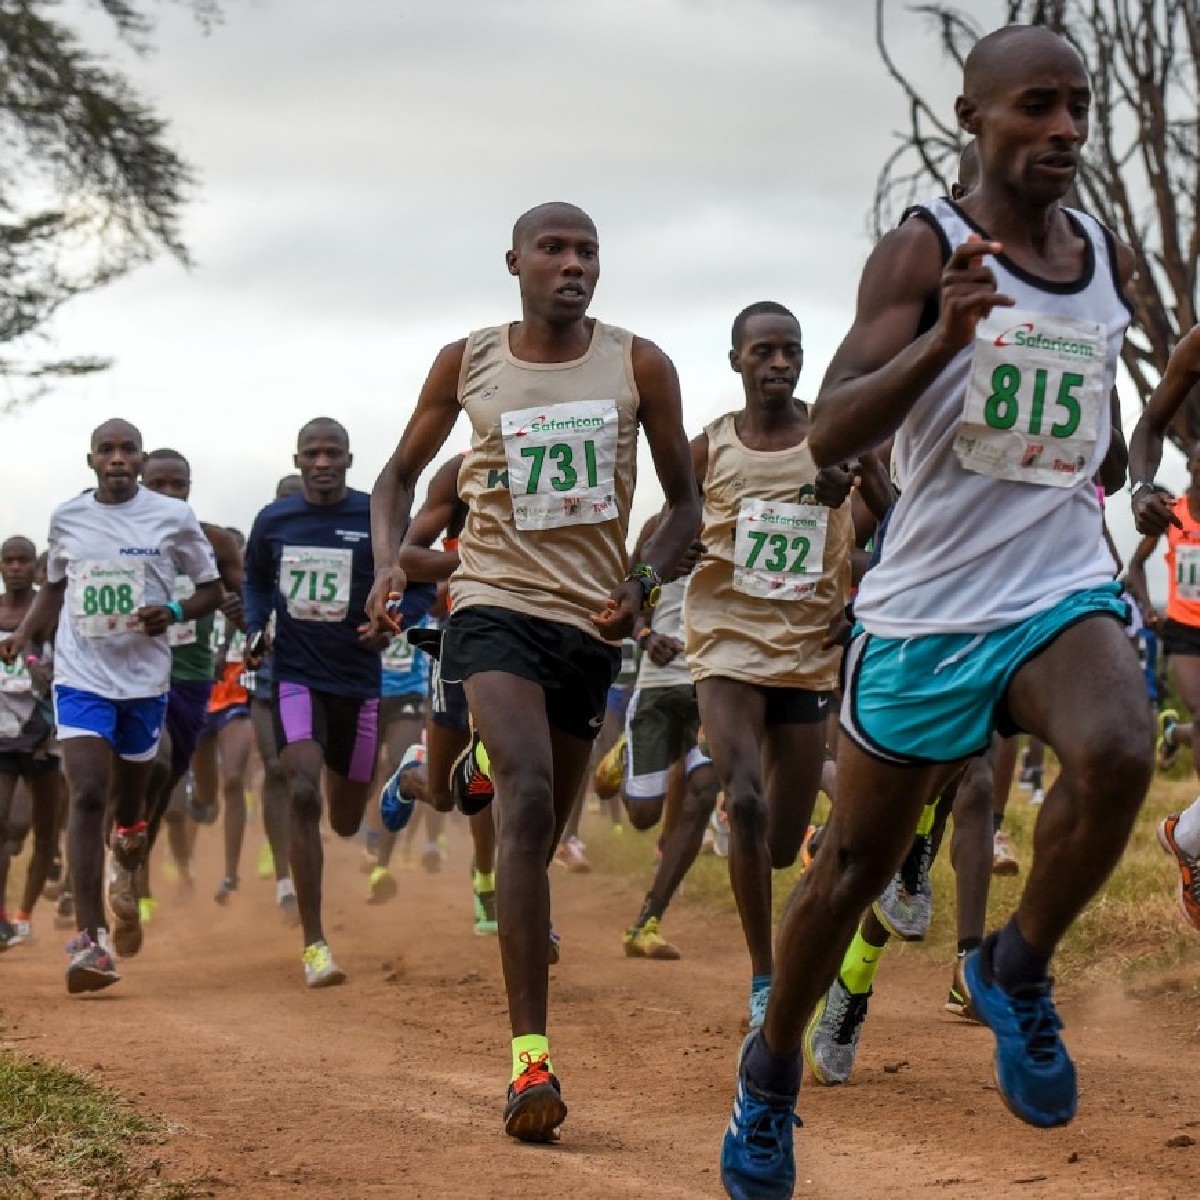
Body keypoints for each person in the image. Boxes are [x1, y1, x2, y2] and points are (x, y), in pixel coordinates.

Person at [720, 27, 1151, 1199]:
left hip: (1056, 583)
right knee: (852, 866)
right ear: (976, 117)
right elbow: (834, 429)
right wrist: (948, 343)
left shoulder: (1102, 254)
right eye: (1038, 108)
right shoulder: (925, 251)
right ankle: (769, 1080)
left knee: (1117, 744)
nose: (1064, 129)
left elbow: (1098, 425)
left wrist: (1105, 463)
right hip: (928, 608)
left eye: (1078, 107)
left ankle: (1015, 967)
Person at [368, 202, 700, 1142]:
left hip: (589, 623)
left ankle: (463, 772)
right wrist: (394, 561)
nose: (572, 264)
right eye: (553, 249)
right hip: (491, 602)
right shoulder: (468, 360)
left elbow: (684, 509)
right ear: (513, 261)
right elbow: (396, 477)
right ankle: (529, 1064)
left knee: (542, 821)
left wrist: (640, 582)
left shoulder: (641, 364)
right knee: (524, 799)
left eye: (587, 250)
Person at [1, 419, 221, 993]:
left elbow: (210, 589)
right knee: (88, 791)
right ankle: (91, 942)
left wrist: (172, 614)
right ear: (92, 459)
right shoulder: (67, 518)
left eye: (127, 450)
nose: (117, 458)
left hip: (145, 682)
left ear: (141, 460)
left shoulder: (172, 518)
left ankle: (130, 843)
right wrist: (25, 634)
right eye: (107, 450)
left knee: (126, 809)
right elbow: (54, 588)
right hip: (80, 678)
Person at [687, 300, 854, 1030]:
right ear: (737, 361)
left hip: (805, 648)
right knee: (747, 801)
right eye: (764, 352)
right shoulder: (712, 445)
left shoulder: (837, 436)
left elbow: (892, 515)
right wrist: (647, 576)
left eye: (790, 351)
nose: (779, 363)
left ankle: (752, 832)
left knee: (783, 844)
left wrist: (867, 581)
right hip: (725, 638)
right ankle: (763, 975)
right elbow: (672, 517)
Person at [244, 419, 393, 987]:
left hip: (358, 680)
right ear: (299, 459)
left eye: (333, 453)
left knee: (348, 819)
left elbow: (417, 579)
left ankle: (393, 787)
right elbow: (256, 582)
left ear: (349, 460)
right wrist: (259, 627)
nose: (323, 462)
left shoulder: (371, 517)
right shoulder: (275, 519)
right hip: (296, 676)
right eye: (313, 453)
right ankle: (314, 944)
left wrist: (391, 622)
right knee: (302, 790)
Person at [139, 449, 244, 923]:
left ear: (189, 489)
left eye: (176, 486)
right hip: (133, 677)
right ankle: (133, 883)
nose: (166, 495)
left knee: (166, 786)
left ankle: (139, 855)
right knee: (144, 768)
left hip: (192, 679)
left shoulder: (214, 542)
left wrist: (241, 613)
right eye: (155, 485)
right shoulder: (116, 540)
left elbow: (244, 597)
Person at [1126, 420, 1200, 931]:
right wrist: (1147, 610)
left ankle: (1189, 832)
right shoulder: (1175, 512)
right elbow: (1135, 568)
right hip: (1182, 633)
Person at [0, 536, 64, 947]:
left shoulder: (49, 610)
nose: (18, 567)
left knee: (40, 832)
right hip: (3, 735)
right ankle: (2, 918)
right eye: (10, 561)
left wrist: (48, 674)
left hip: (45, 734)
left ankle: (24, 915)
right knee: (3, 826)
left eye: (25, 560)